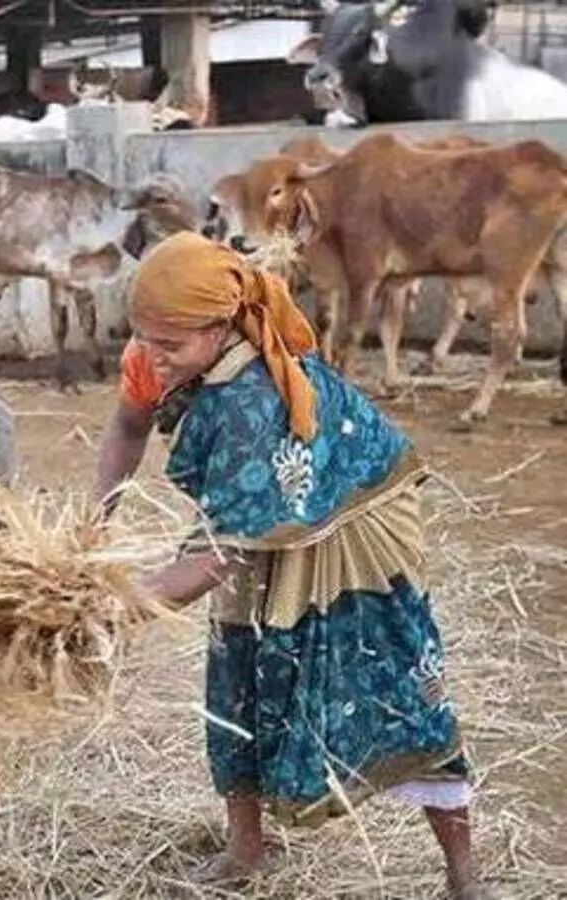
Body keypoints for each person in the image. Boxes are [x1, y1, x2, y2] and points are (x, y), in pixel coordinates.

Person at [93, 232, 491, 898]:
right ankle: (246, 850)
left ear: (219, 328)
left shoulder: (251, 401)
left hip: (354, 522)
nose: (153, 357)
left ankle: (463, 869)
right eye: (145, 339)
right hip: (258, 518)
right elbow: (129, 426)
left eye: (171, 345)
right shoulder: (156, 349)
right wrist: (94, 522)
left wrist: (112, 608)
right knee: (239, 671)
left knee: (397, 680)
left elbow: (218, 555)